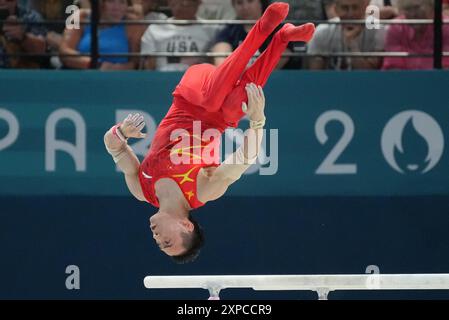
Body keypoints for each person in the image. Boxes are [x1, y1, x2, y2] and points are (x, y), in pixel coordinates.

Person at [104, 2, 315, 263]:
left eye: (159, 244)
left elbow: (113, 146)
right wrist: (258, 122)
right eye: (167, 241)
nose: (157, 238)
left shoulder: (141, 189)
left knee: (213, 99)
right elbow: (243, 161)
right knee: (243, 100)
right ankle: (282, 37)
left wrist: (121, 132)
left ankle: (268, 29)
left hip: (193, 90)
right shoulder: (203, 191)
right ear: (187, 226)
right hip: (222, 117)